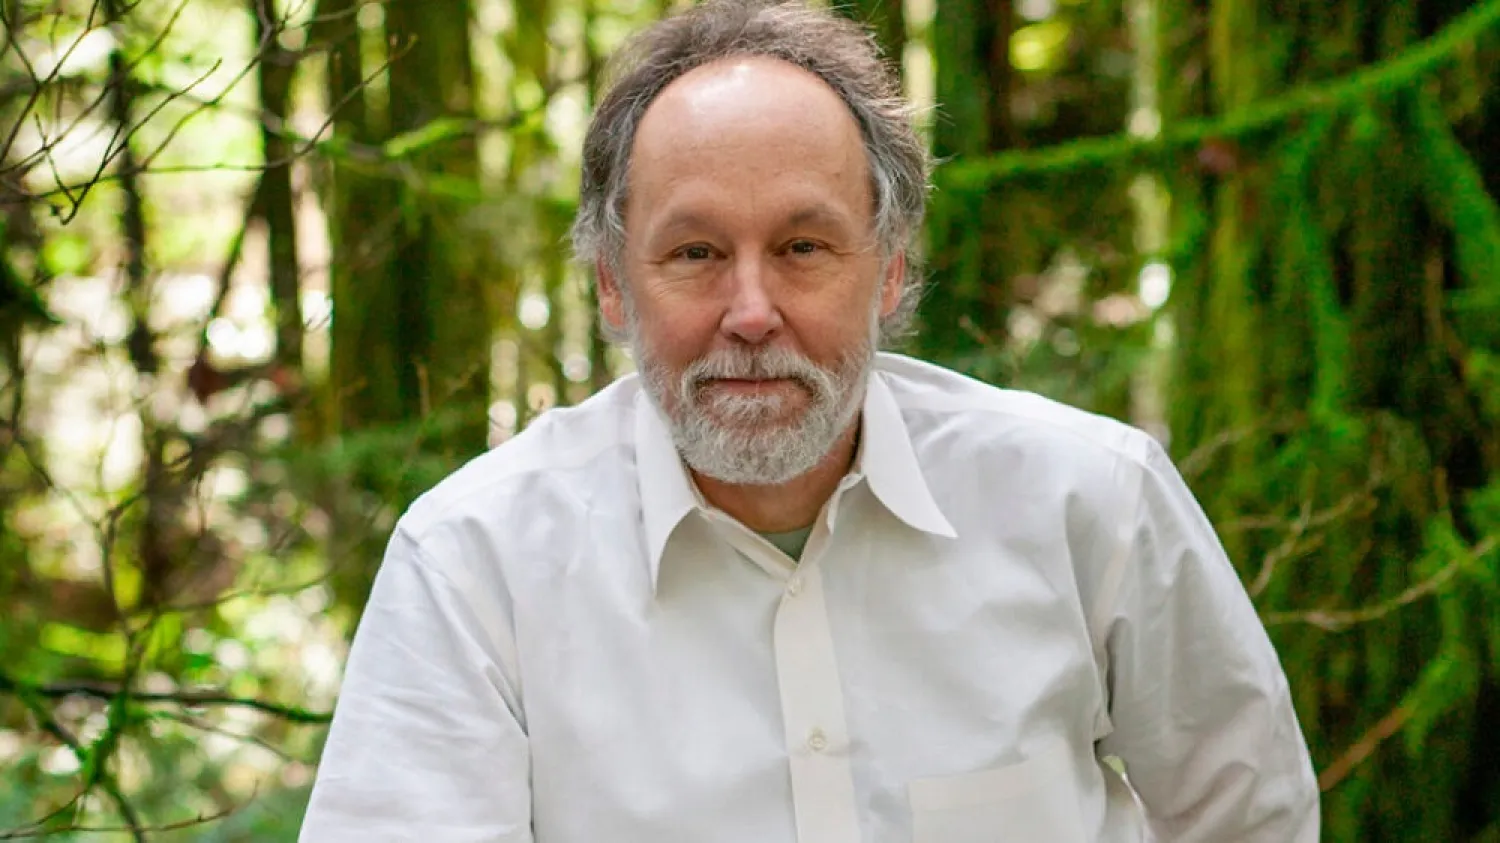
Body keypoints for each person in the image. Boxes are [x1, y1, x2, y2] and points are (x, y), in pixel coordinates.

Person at [298, 0, 1321, 839]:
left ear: (890, 272)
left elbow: (1251, 820)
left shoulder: (1090, 503)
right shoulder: (476, 564)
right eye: (695, 253)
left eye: (802, 248)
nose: (750, 312)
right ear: (613, 286)